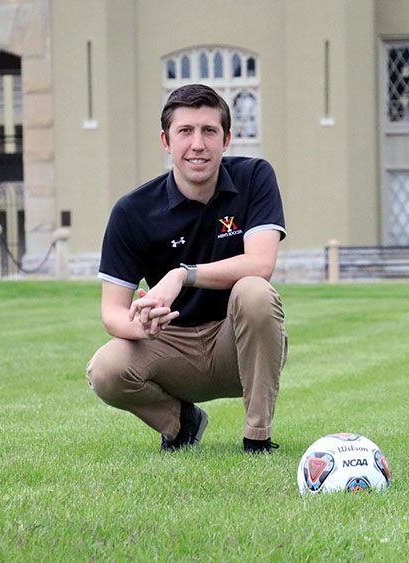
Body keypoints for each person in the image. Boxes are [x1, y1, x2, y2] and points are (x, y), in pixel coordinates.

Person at [86, 84, 287, 454]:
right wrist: (141, 325)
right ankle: (180, 423)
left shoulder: (254, 176)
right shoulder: (132, 211)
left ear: (226, 139)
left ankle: (257, 438)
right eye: (185, 132)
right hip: (171, 347)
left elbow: (261, 264)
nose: (198, 144)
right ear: (165, 141)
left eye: (209, 131)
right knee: (105, 370)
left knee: (255, 291)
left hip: (237, 348)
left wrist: (182, 274)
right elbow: (111, 312)